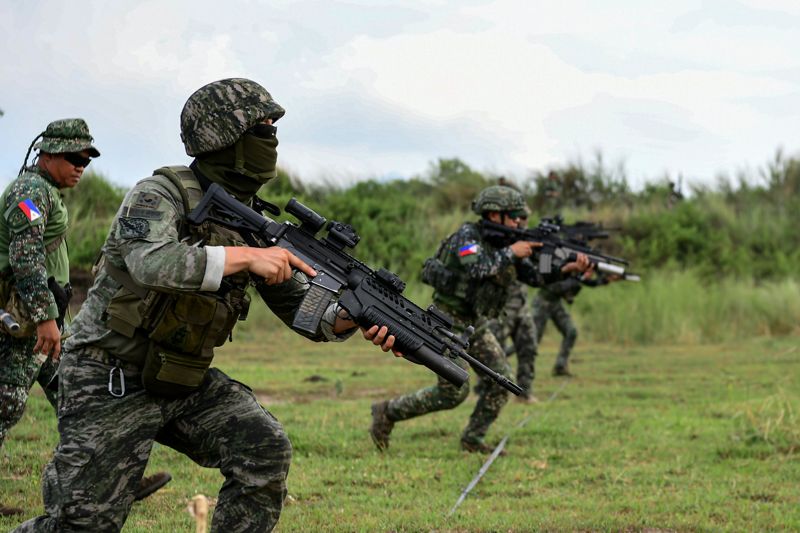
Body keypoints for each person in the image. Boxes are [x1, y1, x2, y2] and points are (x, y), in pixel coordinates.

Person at [12, 78, 398, 533]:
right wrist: (246, 257)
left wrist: (353, 315)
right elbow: (150, 262)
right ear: (224, 137)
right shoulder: (159, 194)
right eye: (263, 129)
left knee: (263, 447)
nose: (271, 139)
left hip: (180, 376)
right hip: (108, 373)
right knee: (82, 526)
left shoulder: (255, 221)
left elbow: (303, 311)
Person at [0, 120, 172, 518]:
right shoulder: (29, 193)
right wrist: (45, 318)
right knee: (5, 407)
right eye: (74, 158)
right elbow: (26, 259)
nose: (82, 166)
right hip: (26, 324)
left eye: (87, 159)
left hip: (48, 322)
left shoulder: (46, 193)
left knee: (81, 400)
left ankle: (114, 483)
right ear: (48, 154)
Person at [370, 186, 588, 454]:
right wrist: (512, 252)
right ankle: (387, 412)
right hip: (445, 323)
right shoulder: (467, 237)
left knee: (502, 381)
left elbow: (535, 278)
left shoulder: (507, 242)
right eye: (515, 216)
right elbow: (475, 268)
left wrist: (567, 269)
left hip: (476, 323)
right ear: (495, 215)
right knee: (453, 393)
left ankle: (472, 440)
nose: (520, 222)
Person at [533, 265, 618, 377]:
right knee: (531, 339)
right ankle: (505, 358)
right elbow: (557, 286)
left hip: (555, 303)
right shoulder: (556, 262)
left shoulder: (575, 271)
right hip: (543, 301)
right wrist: (581, 278)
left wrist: (605, 280)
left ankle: (560, 366)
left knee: (571, 332)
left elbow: (589, 283)